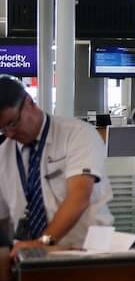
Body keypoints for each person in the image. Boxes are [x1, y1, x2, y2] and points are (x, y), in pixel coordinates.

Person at [0, 76, 113, 263]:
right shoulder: (4, 154)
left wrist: (43, 242)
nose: (10, 134)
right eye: (2, 129)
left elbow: (79, 196)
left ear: (29, 102)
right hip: (28, 260)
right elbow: (2, 219)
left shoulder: (77, 134)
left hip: (86, 254)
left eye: (13, 123)